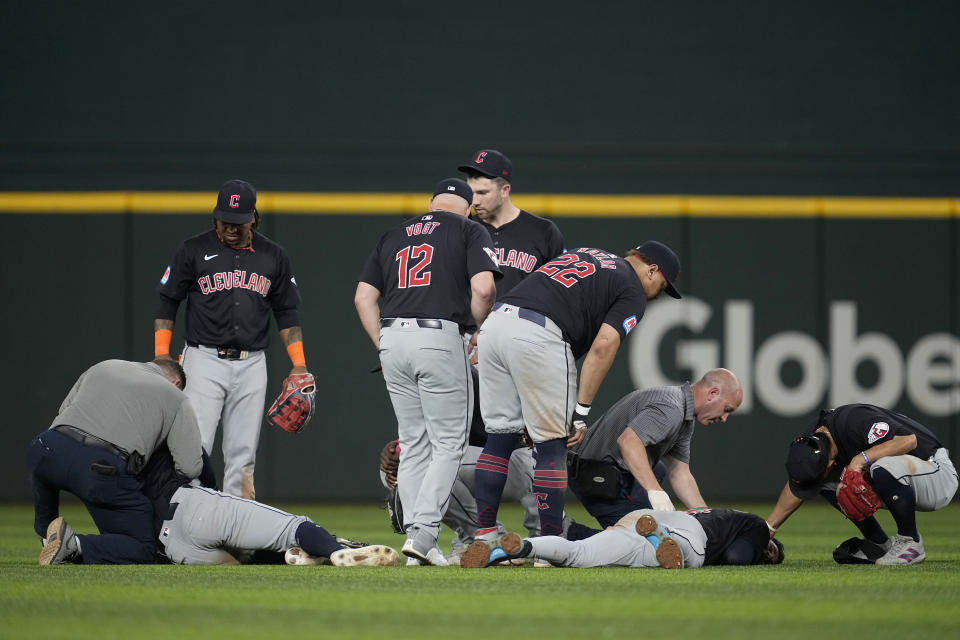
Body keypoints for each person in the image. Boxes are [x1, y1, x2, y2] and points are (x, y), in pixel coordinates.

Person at [469, 240, 683, 551]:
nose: (657, 294)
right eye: (662, 286)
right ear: (652, 269)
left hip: (496, 323)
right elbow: (603, 346)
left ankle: (484, 534)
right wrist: (580, 413)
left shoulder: (587, 252)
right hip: (539, 333)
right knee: (554, 445)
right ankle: (551, 544)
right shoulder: (633, 290)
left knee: (499, 437)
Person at [354, 178, 500, 566]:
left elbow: (363, 297)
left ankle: (421, 545)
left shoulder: (394, 233)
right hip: (439, 336)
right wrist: (475, 332)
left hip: (392, 337)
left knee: (413, 443)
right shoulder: (471, 229)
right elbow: (484, 289)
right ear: (468, 208)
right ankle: (423, 534)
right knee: (448, 444)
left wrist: (380, 345)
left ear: (430, 203)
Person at [154, 178, 311, 499]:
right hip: (203, 360)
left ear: (254, 218)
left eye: (238, 222)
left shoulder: (273, 256)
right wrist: (162, 354)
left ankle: (238, 536)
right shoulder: (193, 249)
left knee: (243, 455)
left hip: (252, 363)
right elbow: (168, 299)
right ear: (215, 217)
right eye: (225, 220)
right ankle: (185, 524)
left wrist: (299, 364)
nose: (231, 227)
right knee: (193, 448)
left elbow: (287, 312)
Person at [28, 358, 202, 565]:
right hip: (99, 468)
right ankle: (73, 544)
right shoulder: (175, 395)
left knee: (44, 469)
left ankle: (47, 536)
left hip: (47, 447)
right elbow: (190, 468)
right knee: (143, 547)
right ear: (175, 383)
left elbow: (63, 411)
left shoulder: (104, 366)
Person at [767, 403, 958, 565]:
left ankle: (910, 542)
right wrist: (769, 528)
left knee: (881, 466)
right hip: (905, 477)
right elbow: (799, 487)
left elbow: (908, 441)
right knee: (828, 484)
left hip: (936, 473)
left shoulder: (854, 421)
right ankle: (879, 543)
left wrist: (859, 460)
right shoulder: (813, 441)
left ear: (831, 462)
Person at [564, 369, 743, 539]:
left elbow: (680, 473)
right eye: (727, 409)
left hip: (617, 475)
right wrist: (654, 490)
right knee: (645, 543)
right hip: (596, 476)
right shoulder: (672, 407)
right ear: (713, 393)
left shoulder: (683, 414)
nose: (724, 418)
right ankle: (567, 532)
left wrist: (708, 519)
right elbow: (628, 442)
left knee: (664, 531)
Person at [462, 508, 783, 569]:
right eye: (771, 552)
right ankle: (662, 537)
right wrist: (763, 552)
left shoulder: (719, 512)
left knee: (578, 554)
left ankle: (524, 547)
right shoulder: (755, 526)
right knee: (690, 557)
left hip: (645, 517)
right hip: (685, 530)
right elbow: (737, 557)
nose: (768, 555)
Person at [457, 149, 565, 298]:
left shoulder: (543, 231)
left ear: (504, 190)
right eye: (471, 192)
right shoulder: (461, 228)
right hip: (472, 321)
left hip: (524, 320)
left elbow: (559, 292)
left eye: (482, 193)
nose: (474, 201)